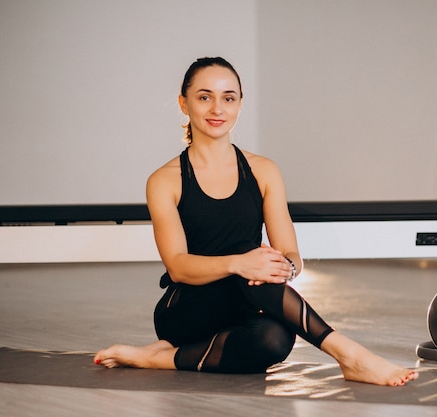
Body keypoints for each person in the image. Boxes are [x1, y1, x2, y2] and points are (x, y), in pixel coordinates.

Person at [94, 57, 419, 387]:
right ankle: (350, 355)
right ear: (184, 103)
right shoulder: (165, 180)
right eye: (205, 97)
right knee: (246, 253)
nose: (217, 108)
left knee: (274, 340)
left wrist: (282, 268)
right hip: (186, 310)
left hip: (245, 301)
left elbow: (291, 253)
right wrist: (241, 263)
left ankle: (153, 357)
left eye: (228, 98)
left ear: (239, 104)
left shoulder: (263, 171)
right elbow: (177, 266)